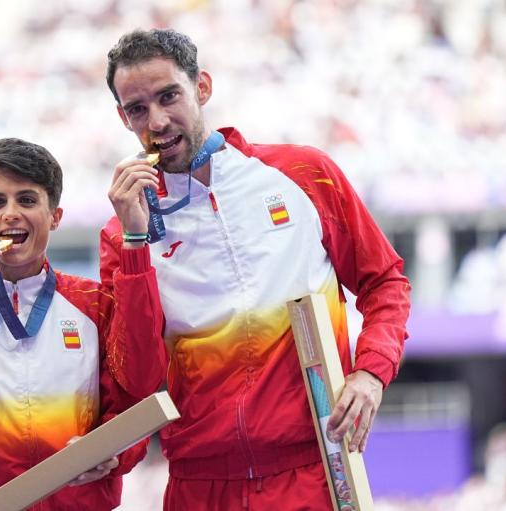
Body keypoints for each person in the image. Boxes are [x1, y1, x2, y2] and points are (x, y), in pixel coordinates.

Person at [101, 29, 411, 510]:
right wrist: (136, 242)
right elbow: (138, 378)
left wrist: (371, 373)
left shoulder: (303, 175)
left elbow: (384, 281)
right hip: (199, 485)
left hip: (312, 471)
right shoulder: (122, 232)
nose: (157, 121)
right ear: (124, 118)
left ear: (202, 87)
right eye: (138, 109)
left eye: (169, 96)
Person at [0, 138, 166, 511]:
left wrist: (117, 453)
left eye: (27, 200)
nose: (10, 214)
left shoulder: (93, 303)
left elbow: (133, 394)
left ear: (55, 216)